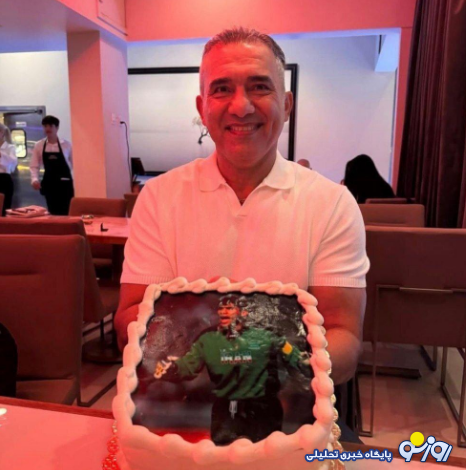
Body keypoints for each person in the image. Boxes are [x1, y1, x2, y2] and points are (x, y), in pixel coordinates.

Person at [116, 27, 369, 390]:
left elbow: (343, 335)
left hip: (289, 404)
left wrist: (264, 364)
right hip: (183, 404)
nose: (241, 106)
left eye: (259, 87)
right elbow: (129, 320)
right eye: (221, 89)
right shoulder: (158, 198)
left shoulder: (332, 205)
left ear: (286, 104)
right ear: (203, 109)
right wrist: (195, 330)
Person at [154, 294, 310, 444]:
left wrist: (309, 362)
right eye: (221, 309)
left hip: (262, 406)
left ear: (244, 313)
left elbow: (294, 357)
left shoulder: (266, 336)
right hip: (226, 407)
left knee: (264, 451)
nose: (223, 312)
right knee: (224, 452)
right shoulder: (208, 339)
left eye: (229, 308)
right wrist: (172, 368)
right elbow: (188, 366)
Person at [30, 115, 74, 215]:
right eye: (45, 126)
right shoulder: (39, 145)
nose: (48, 129)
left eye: (50, 126)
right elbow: (34, 165)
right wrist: (34, 179)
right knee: (52, 211)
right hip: (49, 184)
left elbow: (75, 164)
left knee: (67, 211)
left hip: (65, 184)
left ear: (57, 127)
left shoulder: (66, 145)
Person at [0, 124, 18, 215]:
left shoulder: (10, 148)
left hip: (4, 179)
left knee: (4, 209)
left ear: (2, 132)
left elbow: (12, 163)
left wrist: (1, 154)